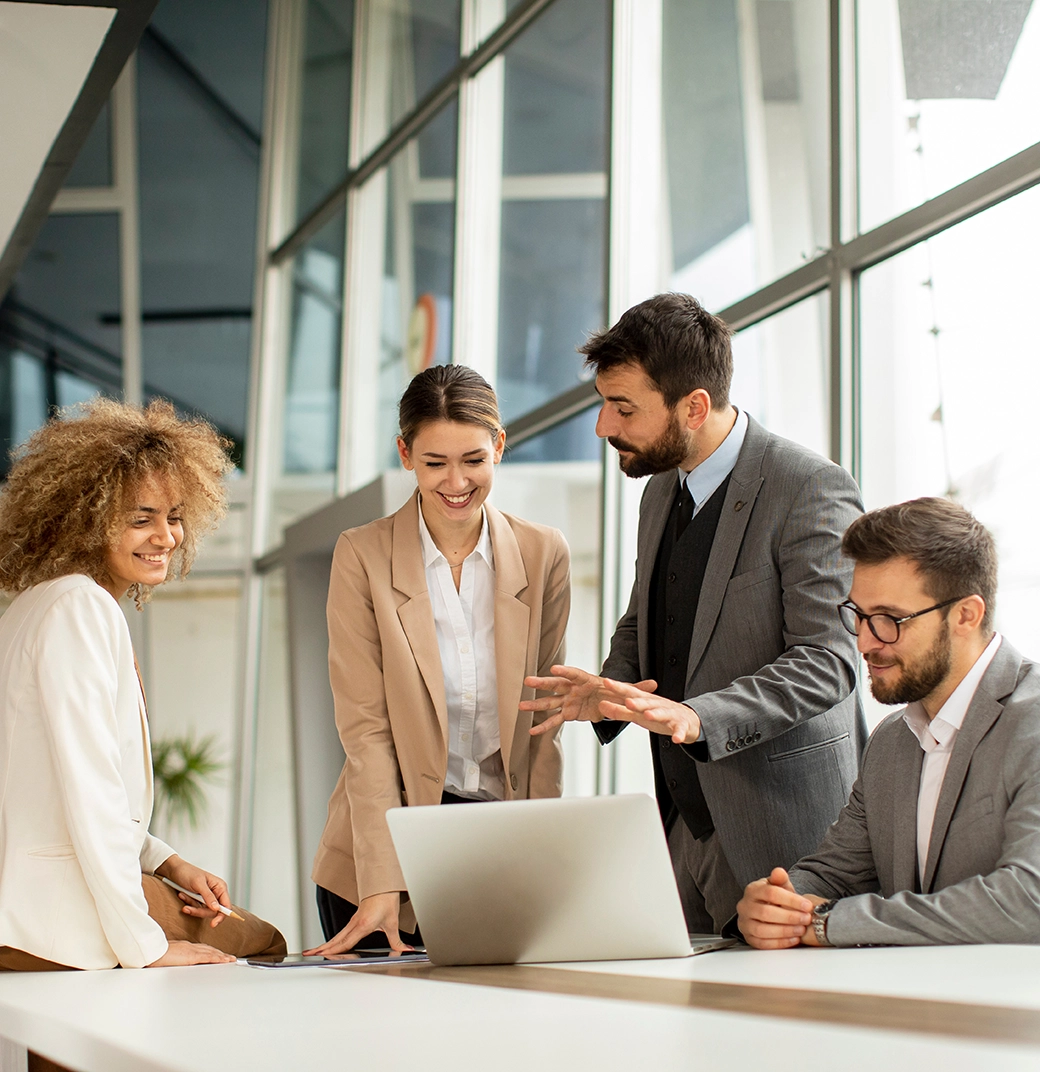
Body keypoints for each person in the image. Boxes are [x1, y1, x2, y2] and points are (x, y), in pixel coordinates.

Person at [523, 292, 865, 933]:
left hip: (786, 834)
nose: (603, 427)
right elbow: (647, 613)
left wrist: (696, 716)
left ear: (695, 406)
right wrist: (609, 687)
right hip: (683, 823)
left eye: (623, 408)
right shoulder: (659, 489)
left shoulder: (809, 487)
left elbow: (829, 661)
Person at [0, 398, 285, 972]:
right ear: (87, 517)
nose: (166, 536)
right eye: (140, 518)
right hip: (59, 916)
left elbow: (53, 789)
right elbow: (90, 788)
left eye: (175, 516)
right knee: (264, 940)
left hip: (27, 915)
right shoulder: (80, 608)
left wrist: (168, 861)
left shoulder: (35, 608)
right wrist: (147, 947)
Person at [308, 364, 570, 954]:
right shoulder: (362, 556)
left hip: (498, 849)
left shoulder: (543, 552)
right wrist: (382, 881)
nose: (457, 481)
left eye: (474, 460)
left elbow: (543, 723)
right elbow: (366, 732)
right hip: (384, 853)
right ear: (405, 454)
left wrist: (546, 861)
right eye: (435, 463)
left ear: (499, 446)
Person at [737, 497, 1040, 948]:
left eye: (888, 620)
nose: (864, 642)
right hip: (909, 1007)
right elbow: (834, 872)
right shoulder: (892, 740)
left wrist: (829, 923)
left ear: (966, 615)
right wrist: (777, 904)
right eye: (858, 615)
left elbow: (1027, 902)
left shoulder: (1031, 722)